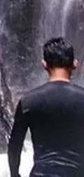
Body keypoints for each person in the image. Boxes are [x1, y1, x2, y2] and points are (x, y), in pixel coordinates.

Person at [8, 37, 84, 177]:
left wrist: (14, 174)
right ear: (74, 64)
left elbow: (14, 146)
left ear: (44, 64)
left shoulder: (28, 101)